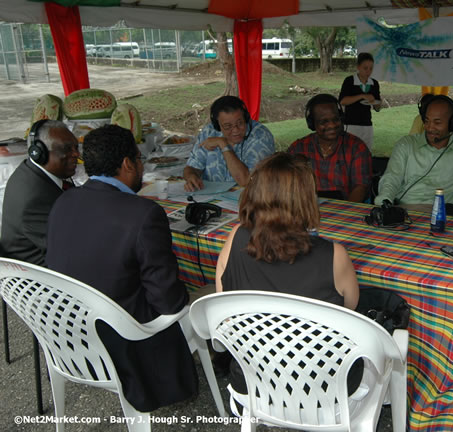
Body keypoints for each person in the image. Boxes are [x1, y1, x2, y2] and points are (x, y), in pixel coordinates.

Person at [46, 125, 198, 412]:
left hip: (70, 337)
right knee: (201, 299)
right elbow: (169, 302)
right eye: (139, 159)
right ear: (128, 163)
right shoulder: (143, 214)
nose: (141, 165)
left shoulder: (63, 201)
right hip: (125, 343)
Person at [214, 152, 360, 396]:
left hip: (253, 382)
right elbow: (351, 307)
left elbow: (225, 307)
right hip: (322, 388)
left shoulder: (235, 238)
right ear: (306, 199)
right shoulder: (334, 255)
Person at [0, 119, 78, 265]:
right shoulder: (34, 198)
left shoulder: (30, 170)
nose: (76, 154)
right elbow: (68, 249)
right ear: (38, 153)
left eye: (76, 147)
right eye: (66, 149)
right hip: (41, 279)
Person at [287, 93, 372, 202]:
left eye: (336, 119)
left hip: (345, 209)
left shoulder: (357, 148)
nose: (332, 125)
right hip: (305, 210)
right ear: (312, 124)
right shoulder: (298, 148)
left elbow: (361, 186)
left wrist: (344, 213)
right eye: (324, 121)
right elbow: (285, 185)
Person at [184, 95, 274, 191]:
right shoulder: (209, 132)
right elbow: (191, 167)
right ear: (217, 125)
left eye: (240, 123)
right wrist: (191, 176)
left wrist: (223, 144)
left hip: (248, 200)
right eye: (228, 126)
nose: (235, 130)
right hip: (211, 199)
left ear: (246, 118)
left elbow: (245, 180)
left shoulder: (260, 136)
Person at [339, 52, 381, 152]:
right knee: (350, 153)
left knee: (366, 153)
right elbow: (343, 101)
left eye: (371, 68)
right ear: (358, 67)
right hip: (351, 124)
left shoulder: (374, 83)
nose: (368, 71)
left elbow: (377, 108)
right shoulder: (349, 81)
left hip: (367, 124)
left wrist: (377, 104)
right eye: (365, 68)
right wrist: (362, 96)